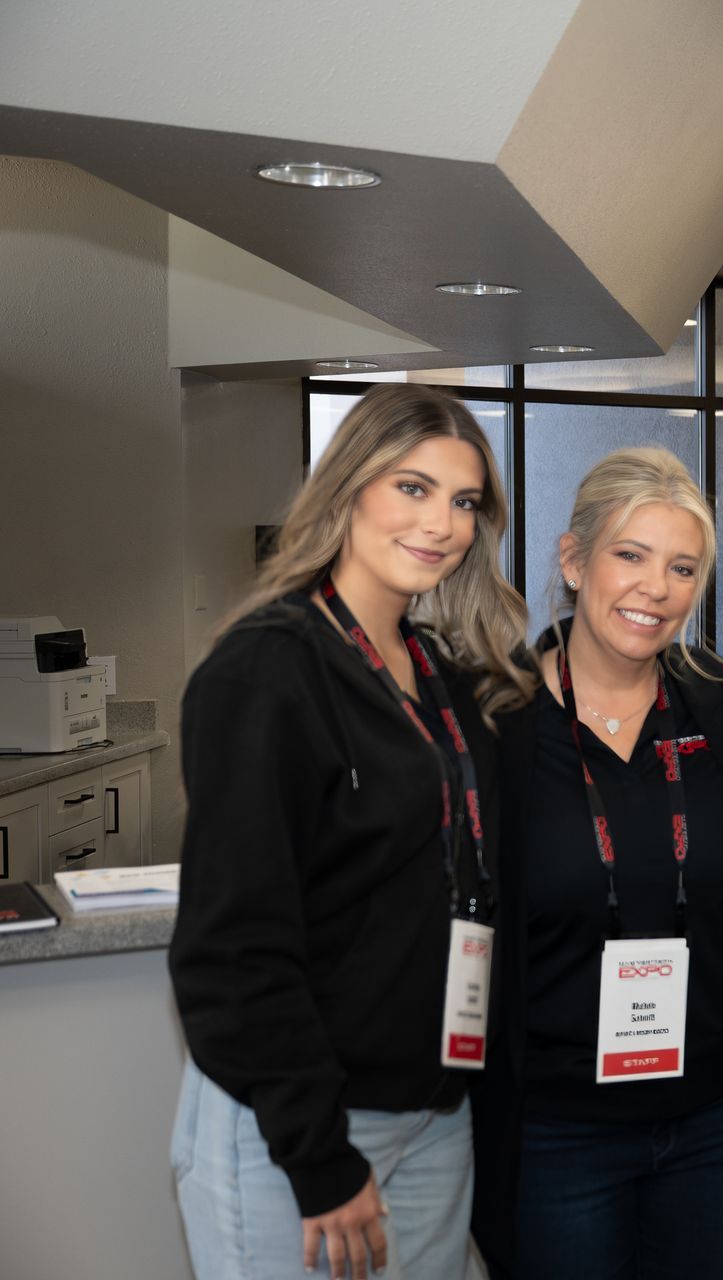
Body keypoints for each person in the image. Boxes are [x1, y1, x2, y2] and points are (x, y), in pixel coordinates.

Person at [169, 384, 529, 1280]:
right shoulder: (268, 668)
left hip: (434, 1110)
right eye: (412, 487)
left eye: (463, 501)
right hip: (303, 1127)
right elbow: (234, 947)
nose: (441, 524)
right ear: (349, 488)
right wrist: (319, 1155)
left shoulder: (440, 673)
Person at [469, 447, 723, 1278]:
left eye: (682, 568)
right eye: (631, 555)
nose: (657, 588)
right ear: (574, 562)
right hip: (556, 1133)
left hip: (713, 1121)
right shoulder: (497, 724)